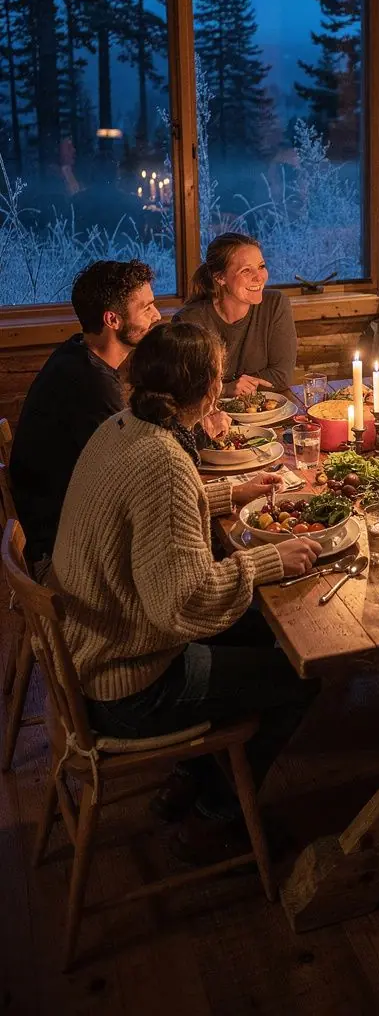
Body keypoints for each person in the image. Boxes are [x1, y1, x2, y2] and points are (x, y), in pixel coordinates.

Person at [50, 321, 322, 860]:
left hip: (91, 653)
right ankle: (215, 815)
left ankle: (191, 774)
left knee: (261, 629)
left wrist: (231, 493)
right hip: (126, 688)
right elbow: (185, 603)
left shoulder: (123, 427)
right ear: (210, 390)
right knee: (300, 674)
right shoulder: (165, 461)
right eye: (219, 375)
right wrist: (269, 559)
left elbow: (156, 513)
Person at [9, 260, 161, 572]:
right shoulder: (91, 384)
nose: (157, 315)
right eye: (146, 308)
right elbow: (139, 476)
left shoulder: (76, 352)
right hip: (66, 552)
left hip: (61, 527)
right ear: (112, 319)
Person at [175, 234, 297, 396]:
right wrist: (226, 389)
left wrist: (220, 387)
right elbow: (185, 388)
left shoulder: (275, 304)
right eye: (246, 270)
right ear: (220, 277)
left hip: (262, 408)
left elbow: (281, 376)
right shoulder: (189, 321)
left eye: (261, 266)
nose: (259, 277)